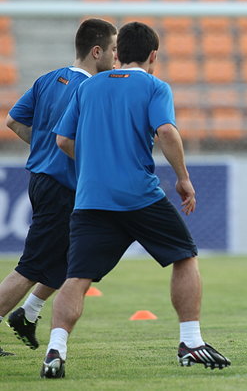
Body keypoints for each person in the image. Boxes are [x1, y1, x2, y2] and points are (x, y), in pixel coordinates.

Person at [45, 21, 230, 378]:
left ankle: (56, 347)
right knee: (185, 257)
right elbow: (165, 132)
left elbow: (62, 141)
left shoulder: (88, 87)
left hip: (92, 198)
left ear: (117, 53)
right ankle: (190, 342)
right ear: (153, 55)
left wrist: (97, 163)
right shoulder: (154, 86)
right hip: (138, 196)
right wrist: (183, 179)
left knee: (77, 277)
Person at [0, 19, 117, 357]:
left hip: (42, 179)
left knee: (74, 259)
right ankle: (25, 310)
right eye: (112, 49)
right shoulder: (91, 89)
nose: (115, 56)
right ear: (97, 52)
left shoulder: (48, 79)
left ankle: (29, 313)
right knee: (31, 266)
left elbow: (14, 120)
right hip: (62, 187)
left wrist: (43, 150)